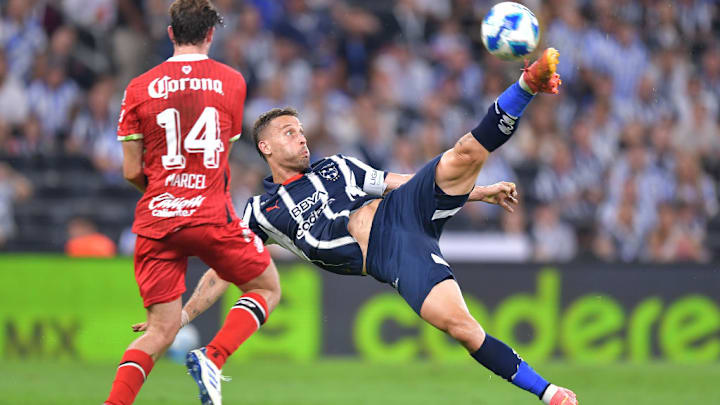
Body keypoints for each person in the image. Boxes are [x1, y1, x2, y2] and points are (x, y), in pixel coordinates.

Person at [136, 49, 576, 405]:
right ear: (266, 146)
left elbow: (394, 182)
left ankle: (527, 85)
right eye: (290, 133)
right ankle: (550, 392)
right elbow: (222, 271)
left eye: (302, 130)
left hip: (402, 209)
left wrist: (480, 192)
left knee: (463, 153)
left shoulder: (336, 166)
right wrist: (185, 315)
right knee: (462, 328)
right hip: (392, 256)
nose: (302, 137)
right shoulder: (259, 212)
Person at [103, 1, 281, 405]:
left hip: (156, 220)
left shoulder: (138, 86)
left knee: (160, 332)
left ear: (170, 33)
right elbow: (219, 151)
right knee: (266, 287)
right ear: (210, 34)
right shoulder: (232, 81)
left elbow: (131, 170)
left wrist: (165, 193)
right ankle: (213, 358)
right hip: (209, 214)